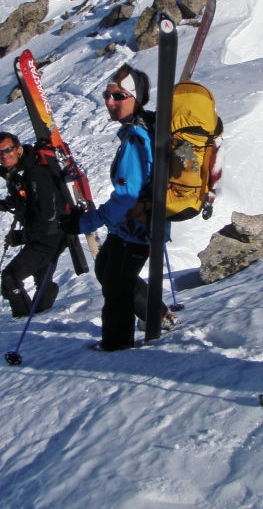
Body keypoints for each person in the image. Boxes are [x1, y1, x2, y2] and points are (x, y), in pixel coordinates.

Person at [61, 64, 178, 351]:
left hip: (139, 227)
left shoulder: (138, 139)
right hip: (131, 226)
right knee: (105, 269)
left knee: (116, 286)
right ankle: (158, 315)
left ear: (137, 99)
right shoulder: (145, 127)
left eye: (119, 96)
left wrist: (85, 223)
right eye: (107, 95)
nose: (110, 102)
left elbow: (126, 195)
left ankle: (116, 348)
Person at [0, 132, 67, 318]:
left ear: (18, 149)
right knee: (42, 279)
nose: (4, 155)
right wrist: (9, 202)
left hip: (49, 236)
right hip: (52, 234)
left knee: (10, 277)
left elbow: (46, 214)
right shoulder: (21, 172)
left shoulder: (35, 173)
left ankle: (23, 320)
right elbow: (30, 199)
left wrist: (21, 237)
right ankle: (41, 317)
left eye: (8, 150)